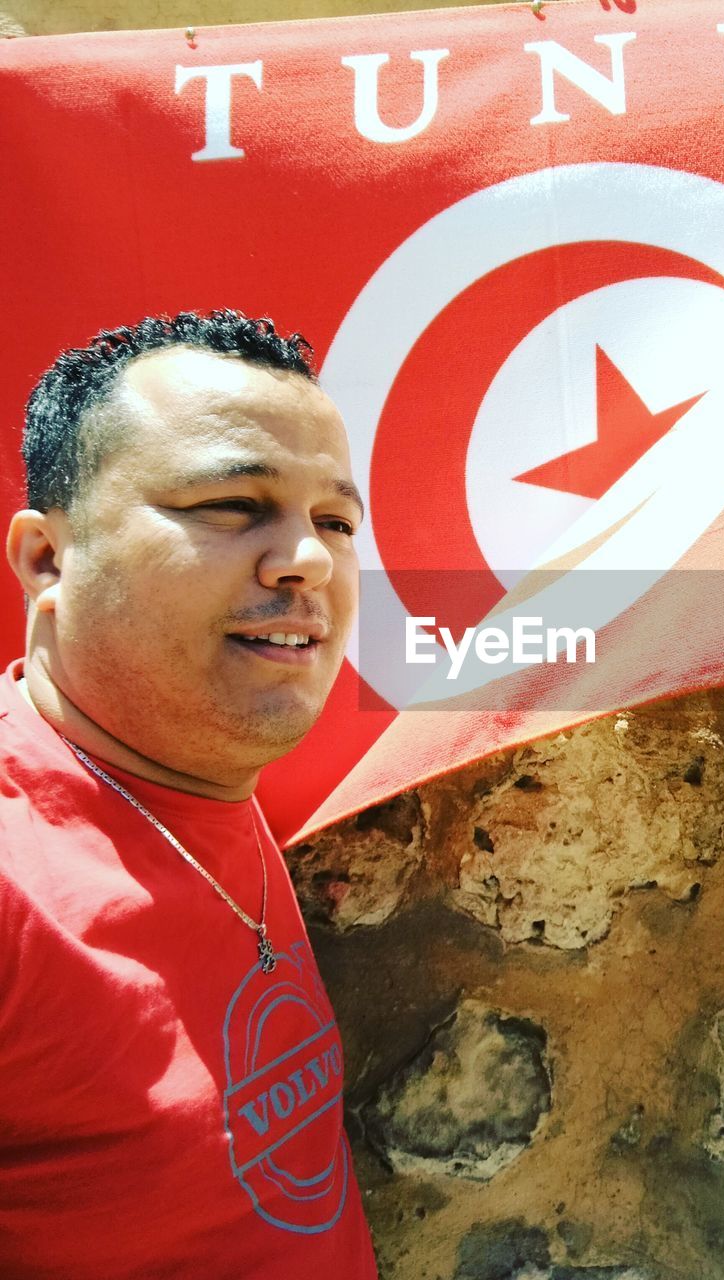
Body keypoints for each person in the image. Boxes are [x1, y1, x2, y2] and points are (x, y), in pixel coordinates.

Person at [0, 311, 378, 1278]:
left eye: (335, 521)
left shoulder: (199, 763)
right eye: (232, 504)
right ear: (49, 559)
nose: (309, 560)